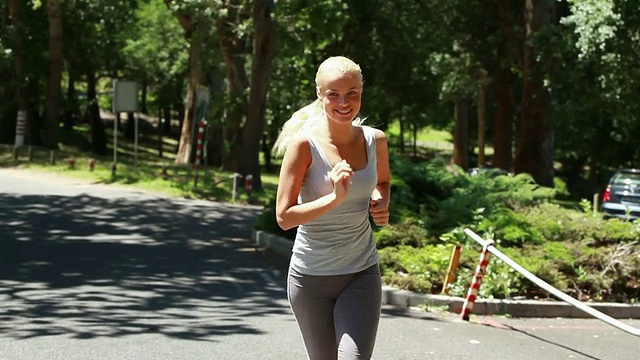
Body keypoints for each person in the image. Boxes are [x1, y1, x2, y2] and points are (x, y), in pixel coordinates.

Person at [273, 56, 391, 360]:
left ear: (362, 93)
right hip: (310, 279)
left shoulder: (375, 140)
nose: (344, 102)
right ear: (319, 94)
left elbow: (384, 181)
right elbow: (284, 217)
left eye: (352, 93)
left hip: (361, 272)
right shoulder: (303, 146)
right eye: (334, 94)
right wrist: (335, 198)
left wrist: (380, 200)